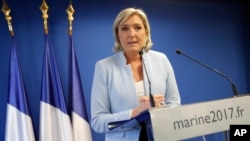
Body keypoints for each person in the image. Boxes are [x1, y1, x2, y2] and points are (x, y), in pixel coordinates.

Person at [90, 7, 181, 141]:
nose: (131, 34)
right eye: (125, 28)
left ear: (146, 32)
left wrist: (161, 111)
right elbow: (98, 122)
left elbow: (175, 105)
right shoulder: (104, 67)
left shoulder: (161, 60)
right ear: (118, 35)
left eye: (137, 27)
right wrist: (135, 113)